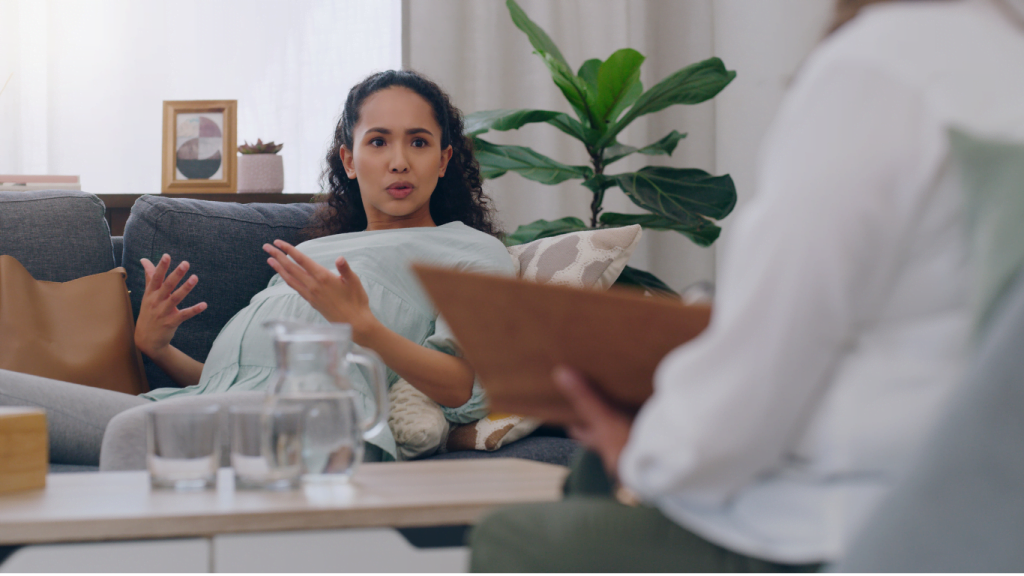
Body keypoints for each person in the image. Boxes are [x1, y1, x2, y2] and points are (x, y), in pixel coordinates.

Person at [468, 0, 1024, 574]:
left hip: (849, 524)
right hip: (979, 517)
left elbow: (772, 354)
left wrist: (647, 456)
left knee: (519, 539)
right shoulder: (1006, 58)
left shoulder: (879, 68)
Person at [0, 69, 513, 466]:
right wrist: (157, 349)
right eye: (378, 141)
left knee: (136, 438)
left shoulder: (472, 252)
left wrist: (364, 328)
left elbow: (463, 388)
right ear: (349, 160)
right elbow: (236, 381)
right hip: (200, 408)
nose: (399, 160)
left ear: (443, 159)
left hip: (317, 425)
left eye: (418, 142)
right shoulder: (315, 254)